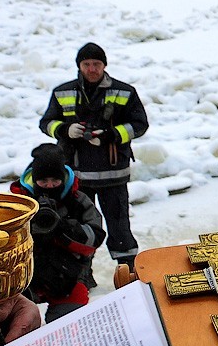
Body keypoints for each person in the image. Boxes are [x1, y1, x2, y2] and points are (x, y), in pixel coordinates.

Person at [40, 43, 147, 272]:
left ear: (104, 65)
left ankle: (128, 272)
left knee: (119, 227)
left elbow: (140, 124)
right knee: (78, 228)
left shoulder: (124, 91)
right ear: (79, 65)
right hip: (77, 177)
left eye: (96, 64)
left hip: (113, 175)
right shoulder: (62, 92)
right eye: (86, 64)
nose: (91, 69)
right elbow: (46, 123)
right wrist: (65, 130)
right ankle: (81, 275)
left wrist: (112, 135)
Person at [10, 143, 106, 321]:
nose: (49, 186)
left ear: (63, 178)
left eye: (55, 181)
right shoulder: (19, 203)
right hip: (25, 277)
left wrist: (63, 229)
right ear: (34, 180)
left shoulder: (78, 201)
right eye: (43, 181)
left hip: (68, 275)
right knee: (14, 322)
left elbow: (95, 237)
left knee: (68, 325)